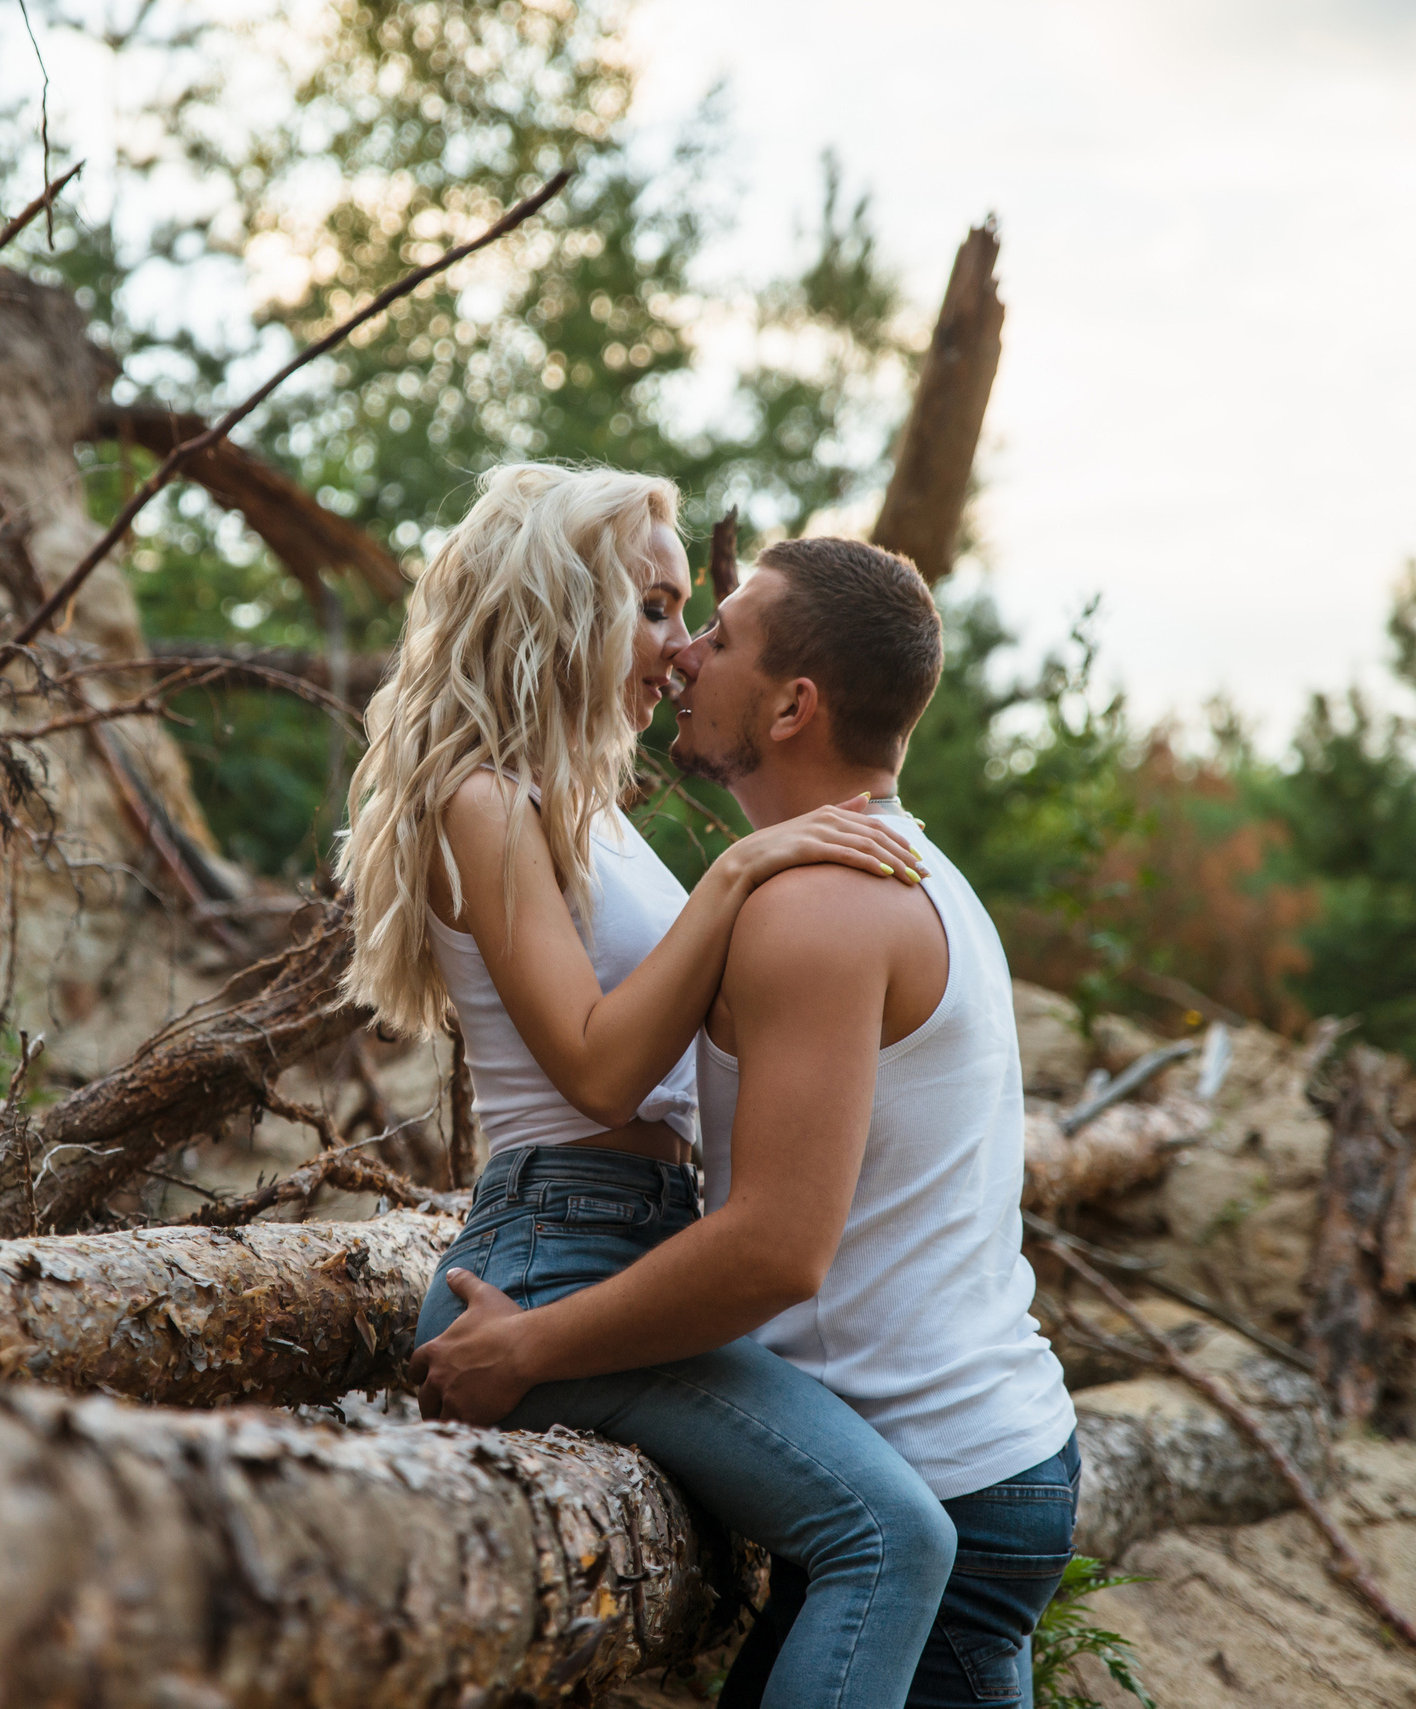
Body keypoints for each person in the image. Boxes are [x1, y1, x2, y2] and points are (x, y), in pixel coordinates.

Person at [411, 536, 1081, 1709]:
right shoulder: (892, 872)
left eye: (714, 631)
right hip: (966, 1454)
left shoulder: (823, 901)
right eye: (667, 617)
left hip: (940, 1471)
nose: (684, 656)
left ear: (792, 704)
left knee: (888, 1549)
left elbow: (776, 1245)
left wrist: (530, 1347)